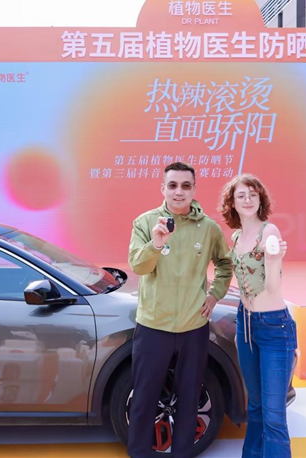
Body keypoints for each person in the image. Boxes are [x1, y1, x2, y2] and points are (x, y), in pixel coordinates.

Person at [128, 162, 233, 458]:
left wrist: (214, 295)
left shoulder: (209, 228)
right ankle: (139, 453)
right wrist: (156, 244)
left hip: (193, 327)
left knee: (189, 397)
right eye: (172, 185)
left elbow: (225, 265)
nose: (179, 192)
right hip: (153, 326)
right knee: (144, 397)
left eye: (186, 186)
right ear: (163, 188)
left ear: (194, 189)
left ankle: (183, 453)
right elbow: (138, 266)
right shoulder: (146, 222)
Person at [217, 173, 296, 458]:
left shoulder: (269, 232)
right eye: (241, 195)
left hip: (274, 326)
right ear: (232, 203)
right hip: (246, 324)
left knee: (274, 415)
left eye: (253, 194)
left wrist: (274, 260)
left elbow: (273, 287)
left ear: (260, 199)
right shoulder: (237, 236)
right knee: (255, 407)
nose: (248, 200)